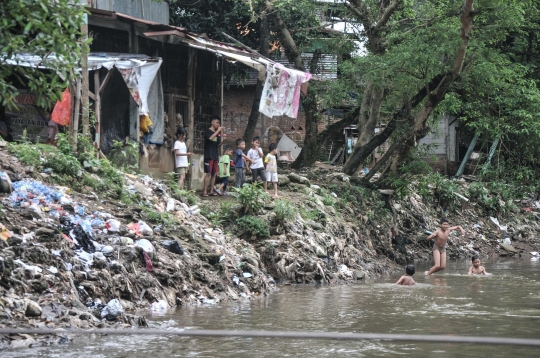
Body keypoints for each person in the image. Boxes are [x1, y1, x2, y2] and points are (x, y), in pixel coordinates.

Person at [202, 116, 225, 197]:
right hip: (208, 155)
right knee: (208, 173)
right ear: (212, 122)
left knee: (214, 174)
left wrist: (223, 140)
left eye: (219, 123)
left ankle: (211, 191)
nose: (218, 124)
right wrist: (218, 131)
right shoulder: (207, 131)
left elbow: (217, 145)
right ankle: (204, 191)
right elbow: (210, 138)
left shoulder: (218, 134)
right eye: (217, 122)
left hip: (215, 155)